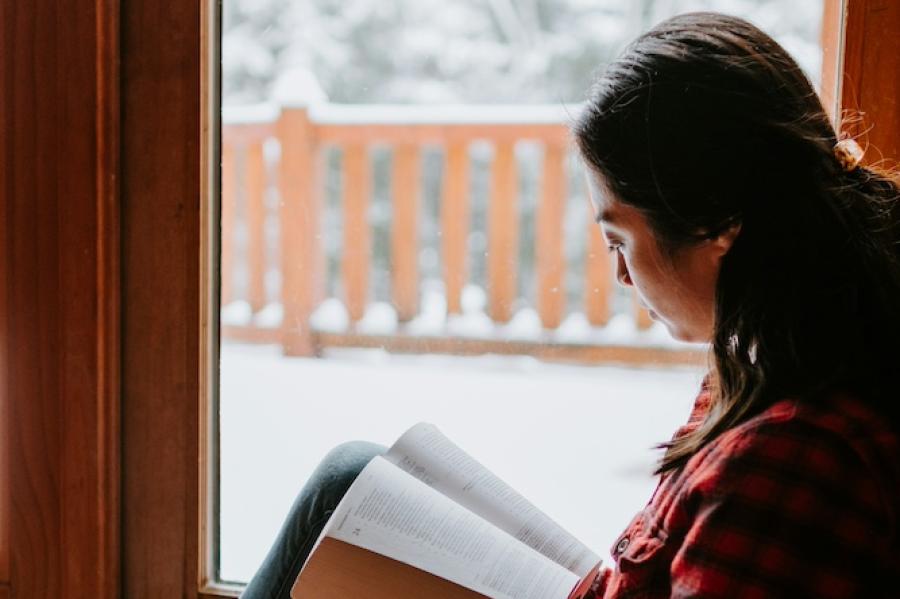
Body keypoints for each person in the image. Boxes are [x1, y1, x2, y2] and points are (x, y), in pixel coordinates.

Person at [241, 12, 900, 599]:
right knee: (354, 478)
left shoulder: (791, 464)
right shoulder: (789, 353)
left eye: (618, 237)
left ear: (719, 226)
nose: (617, 272)